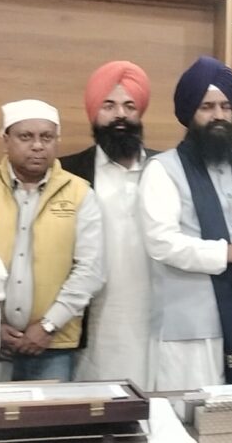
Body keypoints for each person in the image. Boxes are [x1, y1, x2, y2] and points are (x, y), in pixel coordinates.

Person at [0, 99, 105, 382]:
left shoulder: (80, 194)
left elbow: (91, 270)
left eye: (46, 137)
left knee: (49, 413)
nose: (37, 146)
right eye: (26, 137)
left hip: (53, 346)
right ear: (6, 140)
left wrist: (48, 325)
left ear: (56, 141)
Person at [138, 56, 232, 390]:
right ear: (189, 114)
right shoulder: (163, 170)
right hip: (190, 330)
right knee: (190, 415)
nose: (219, 116)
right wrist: (229, 252)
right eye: (207, 107)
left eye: (225, 107)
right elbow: (161, 242)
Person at [60, 61, 156, 386]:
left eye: (130, 106)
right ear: (93, 112)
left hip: (155, 316)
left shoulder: (166, 168)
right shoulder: (67, 172)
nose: (120, 115)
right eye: (109, 105)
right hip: (94, 319)